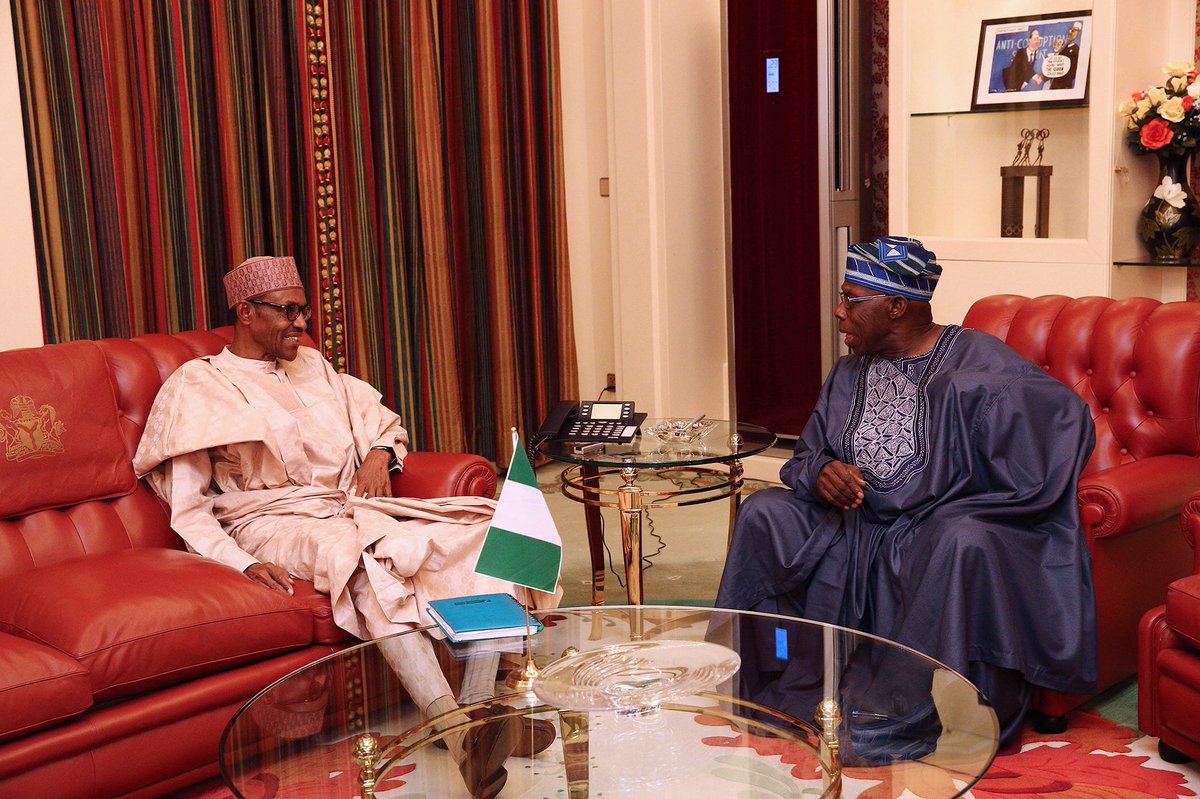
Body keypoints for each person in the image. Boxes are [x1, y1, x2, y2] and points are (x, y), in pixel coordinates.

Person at [133, 255, 559, 799]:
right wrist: (240, 561)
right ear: (245, 312)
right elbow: (188, 508)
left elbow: (382, 424)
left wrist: (380, 454)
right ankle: (460, 736)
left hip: (346, 506)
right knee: (363, 562)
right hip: (269, 520)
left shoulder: (315, 368)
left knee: (477, 534)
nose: (302, 323)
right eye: (288, 311)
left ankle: (474, 717)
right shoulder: (199, 385)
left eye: (304, 310)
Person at [716, 236, 1097, 747]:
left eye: (852, 298)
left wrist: (956, 496)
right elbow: (806, 456)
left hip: (925, 532)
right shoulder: (849, 372)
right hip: (850, 526)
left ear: (896, 305)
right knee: (764, 511)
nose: (838, 311)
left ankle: (903, 707)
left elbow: (1064, 421)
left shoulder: (978, 363)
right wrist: (822, 472)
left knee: (958, 540)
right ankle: (768, 678)